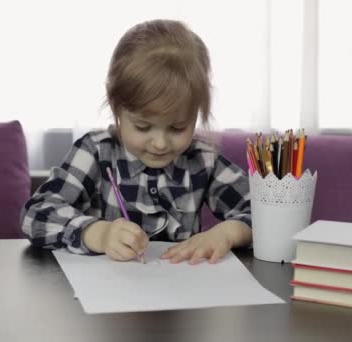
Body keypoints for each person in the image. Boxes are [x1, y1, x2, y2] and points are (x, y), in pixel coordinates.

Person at [21, 19, 251, 265]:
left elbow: (263, 213)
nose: (160, 143)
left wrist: (226, 233)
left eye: (178, 127)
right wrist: (97, 233)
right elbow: (35, 215)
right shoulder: (96, 152)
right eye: (143, 126)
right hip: (108, 296)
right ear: (116, 107)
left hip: (182, 294)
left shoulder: (203, 160)